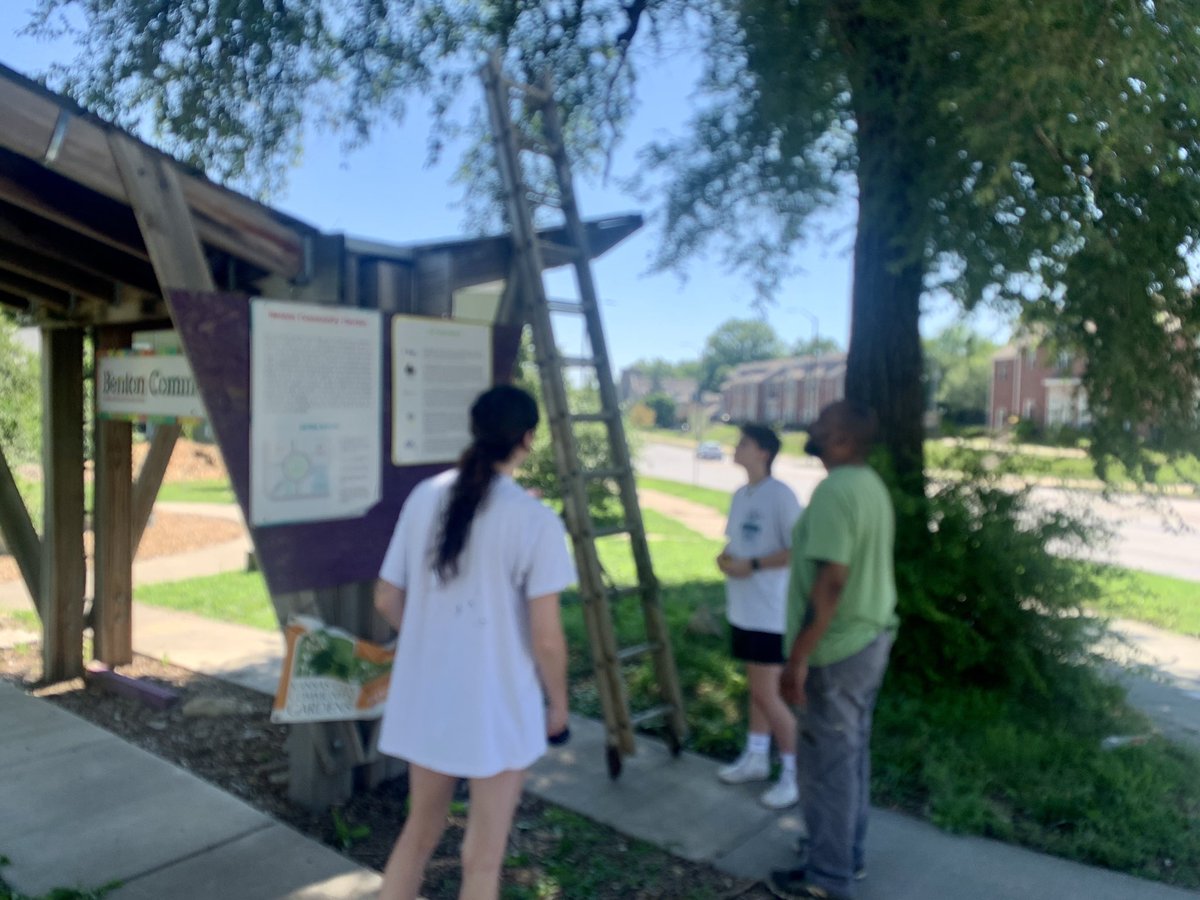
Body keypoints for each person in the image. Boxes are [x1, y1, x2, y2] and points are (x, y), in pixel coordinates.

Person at [373, 384, 575, 900]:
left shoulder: (425, 496)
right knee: (483, 860)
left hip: (428, 695)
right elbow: (547, 638)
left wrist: (429, 639)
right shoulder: (535, 520)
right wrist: (558, 705)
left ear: (475, 429)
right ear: (528, 438)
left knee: (418, 834)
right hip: (498, 705)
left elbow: (386, 598)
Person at [768, 401, 899, 900]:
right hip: (867, 640)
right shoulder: (869, 485)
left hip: (837, 651)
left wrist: (798, 658)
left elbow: (832, 582)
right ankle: (845, 855)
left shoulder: (835, 492)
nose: (812, 426)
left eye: (823, 422)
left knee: (827, 766)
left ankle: (827, 878)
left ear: (843, 439)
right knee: (849, 756)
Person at [715, 423, 804, 809]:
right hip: (744, 609)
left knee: (768, 694)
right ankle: (755, 757)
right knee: (757, 691)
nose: (736, 447)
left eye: (744, 443)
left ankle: (795, 773)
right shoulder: (741, 495)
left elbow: (798, 550)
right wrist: (726, 559)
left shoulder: (781, 496)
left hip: (771, 612)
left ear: (763, 453)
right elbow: (736, 543)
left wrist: (752, 565)